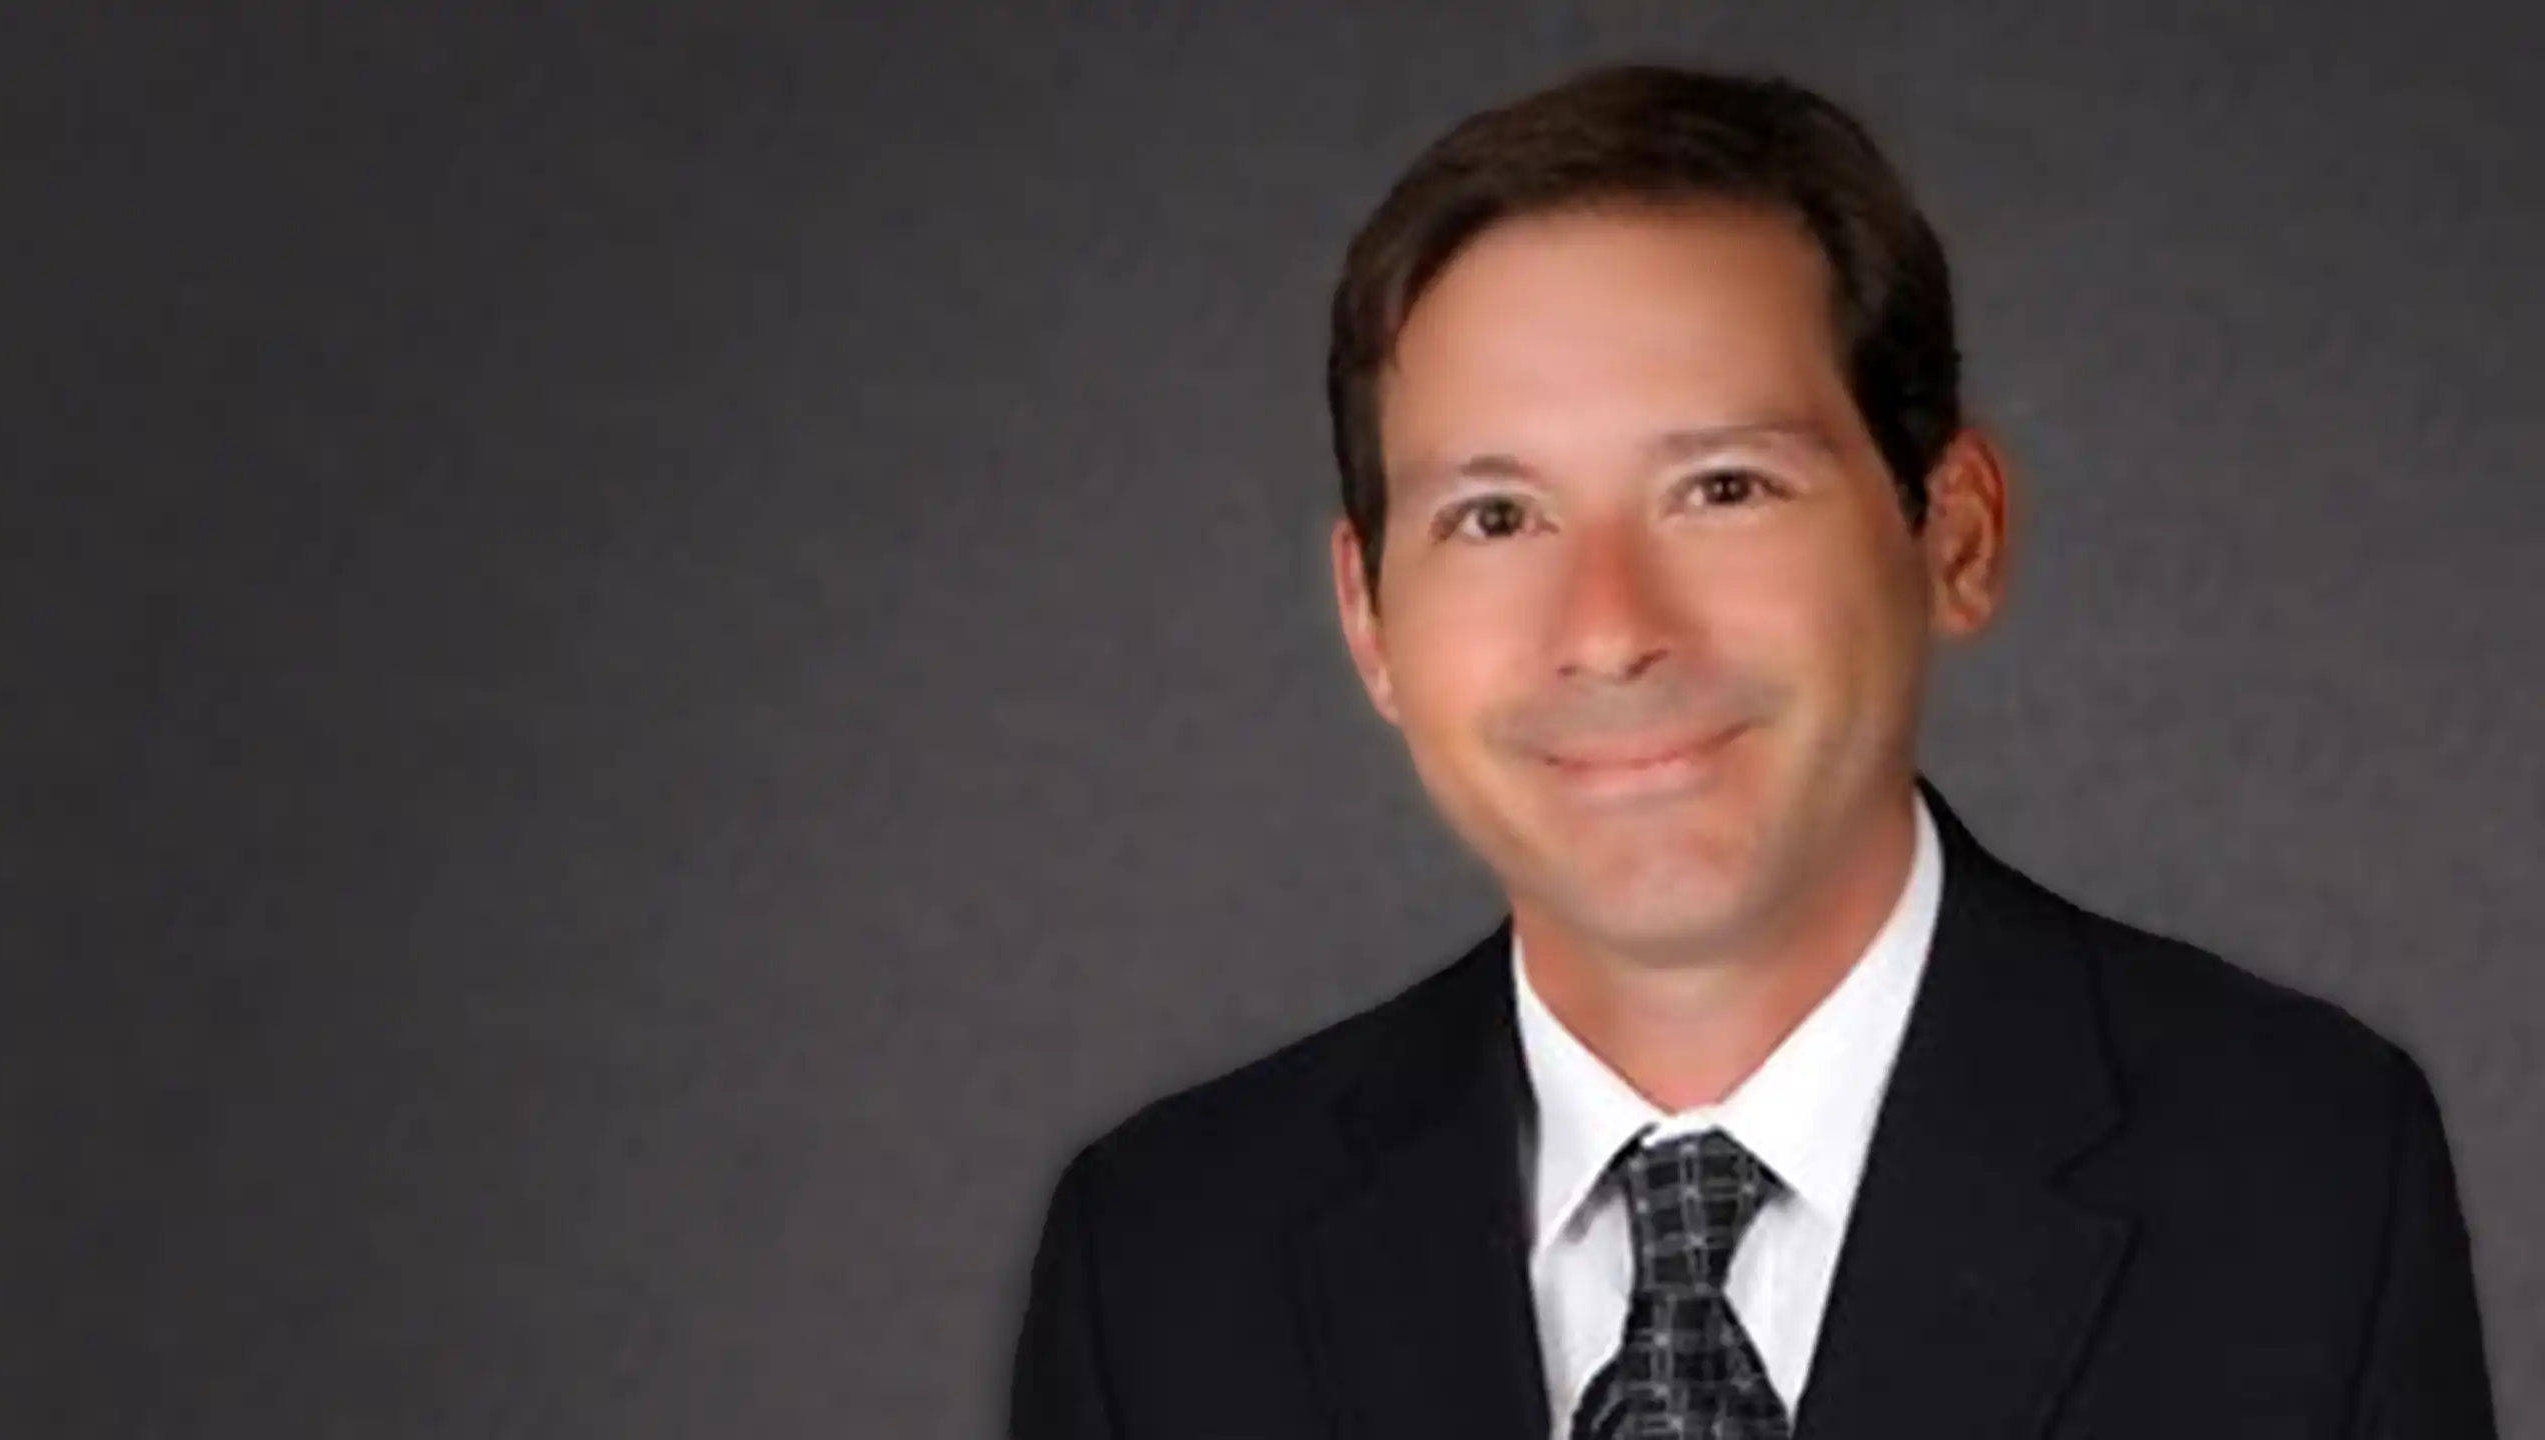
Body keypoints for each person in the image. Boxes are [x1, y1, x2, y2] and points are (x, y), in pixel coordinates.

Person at [1007, 64, 2496, 1440]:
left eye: (1723, 487)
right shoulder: (1162, 1262)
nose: (1608, 629)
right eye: (1496, 518)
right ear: (1370, 617)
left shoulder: (2300, 1180)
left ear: (1953, 534)